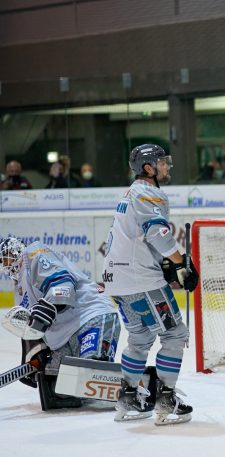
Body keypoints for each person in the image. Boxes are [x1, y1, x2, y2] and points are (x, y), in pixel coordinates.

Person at [103, 144, 199, 425]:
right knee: (174, 335)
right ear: (148, 168)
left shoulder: (130, 193)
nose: (167, 166)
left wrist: (165, 263)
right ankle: (166, 399)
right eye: (162, 162)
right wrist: (180, 263)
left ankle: (128, 396)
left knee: (141, 338)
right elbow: (157, 234)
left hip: (117, 282)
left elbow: (139, 238)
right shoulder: (148, 192)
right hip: (140, 279)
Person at [0, 236, 121, 411]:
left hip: (89, 315)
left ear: (17, 248)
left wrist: (49, 307)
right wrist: (32, 355)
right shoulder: (18, 290)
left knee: (93, 373)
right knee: (56, 387)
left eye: (7, 255)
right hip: (62, 337)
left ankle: (134, 387)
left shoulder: (33, 253)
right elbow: (30, 328)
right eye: (2, 260)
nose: (6, 262)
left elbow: (61, 281)